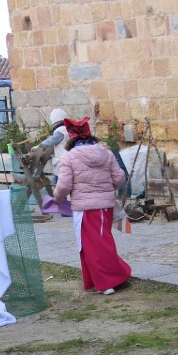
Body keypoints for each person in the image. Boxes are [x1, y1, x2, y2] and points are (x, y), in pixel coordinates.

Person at [53, 117, 132, 295]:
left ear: (71, 138)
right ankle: (110, 277)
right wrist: (107, 190)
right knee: (104, 242)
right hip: (105, 206)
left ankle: (106, 282)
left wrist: (56, 198)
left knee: (91, 246)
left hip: (84, 208)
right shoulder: (106, 153)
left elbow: (64, 185)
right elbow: (119, 178)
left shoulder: (69, 157)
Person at [39, 108, 69, 183]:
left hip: (63, 163)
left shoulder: (61, 130)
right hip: (68, 162)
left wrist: (39, 146)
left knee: (60, 186)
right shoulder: (68, 128)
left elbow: (50, 141)